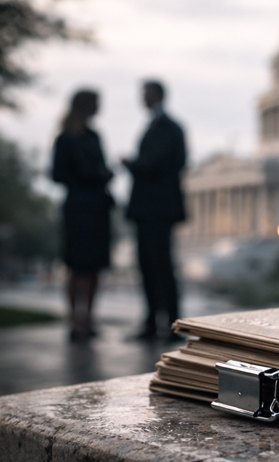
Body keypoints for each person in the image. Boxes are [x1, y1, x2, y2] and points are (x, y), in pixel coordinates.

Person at [123, 80, 187, 341]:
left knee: (161, 266)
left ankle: (171, 323)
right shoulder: (155, 125)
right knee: (147, 266)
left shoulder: (169, 127)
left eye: (145, 94)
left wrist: (135, 164)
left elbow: (165, 162)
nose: (142, 99)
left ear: (157, 95)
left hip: (158, 209)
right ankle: (152, 321)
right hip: (149, 209)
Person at [50, 89, 114, 342]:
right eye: (97, 103)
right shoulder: (66, 138)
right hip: (78, 207)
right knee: (77, 267)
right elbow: (56, 174)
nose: (100, 107)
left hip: (97, 207)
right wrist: (91, 175)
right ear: (86, 106)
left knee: (95, 267)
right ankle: (75, 321)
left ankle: (88, 318)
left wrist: (101, 175)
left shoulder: (94, 136)